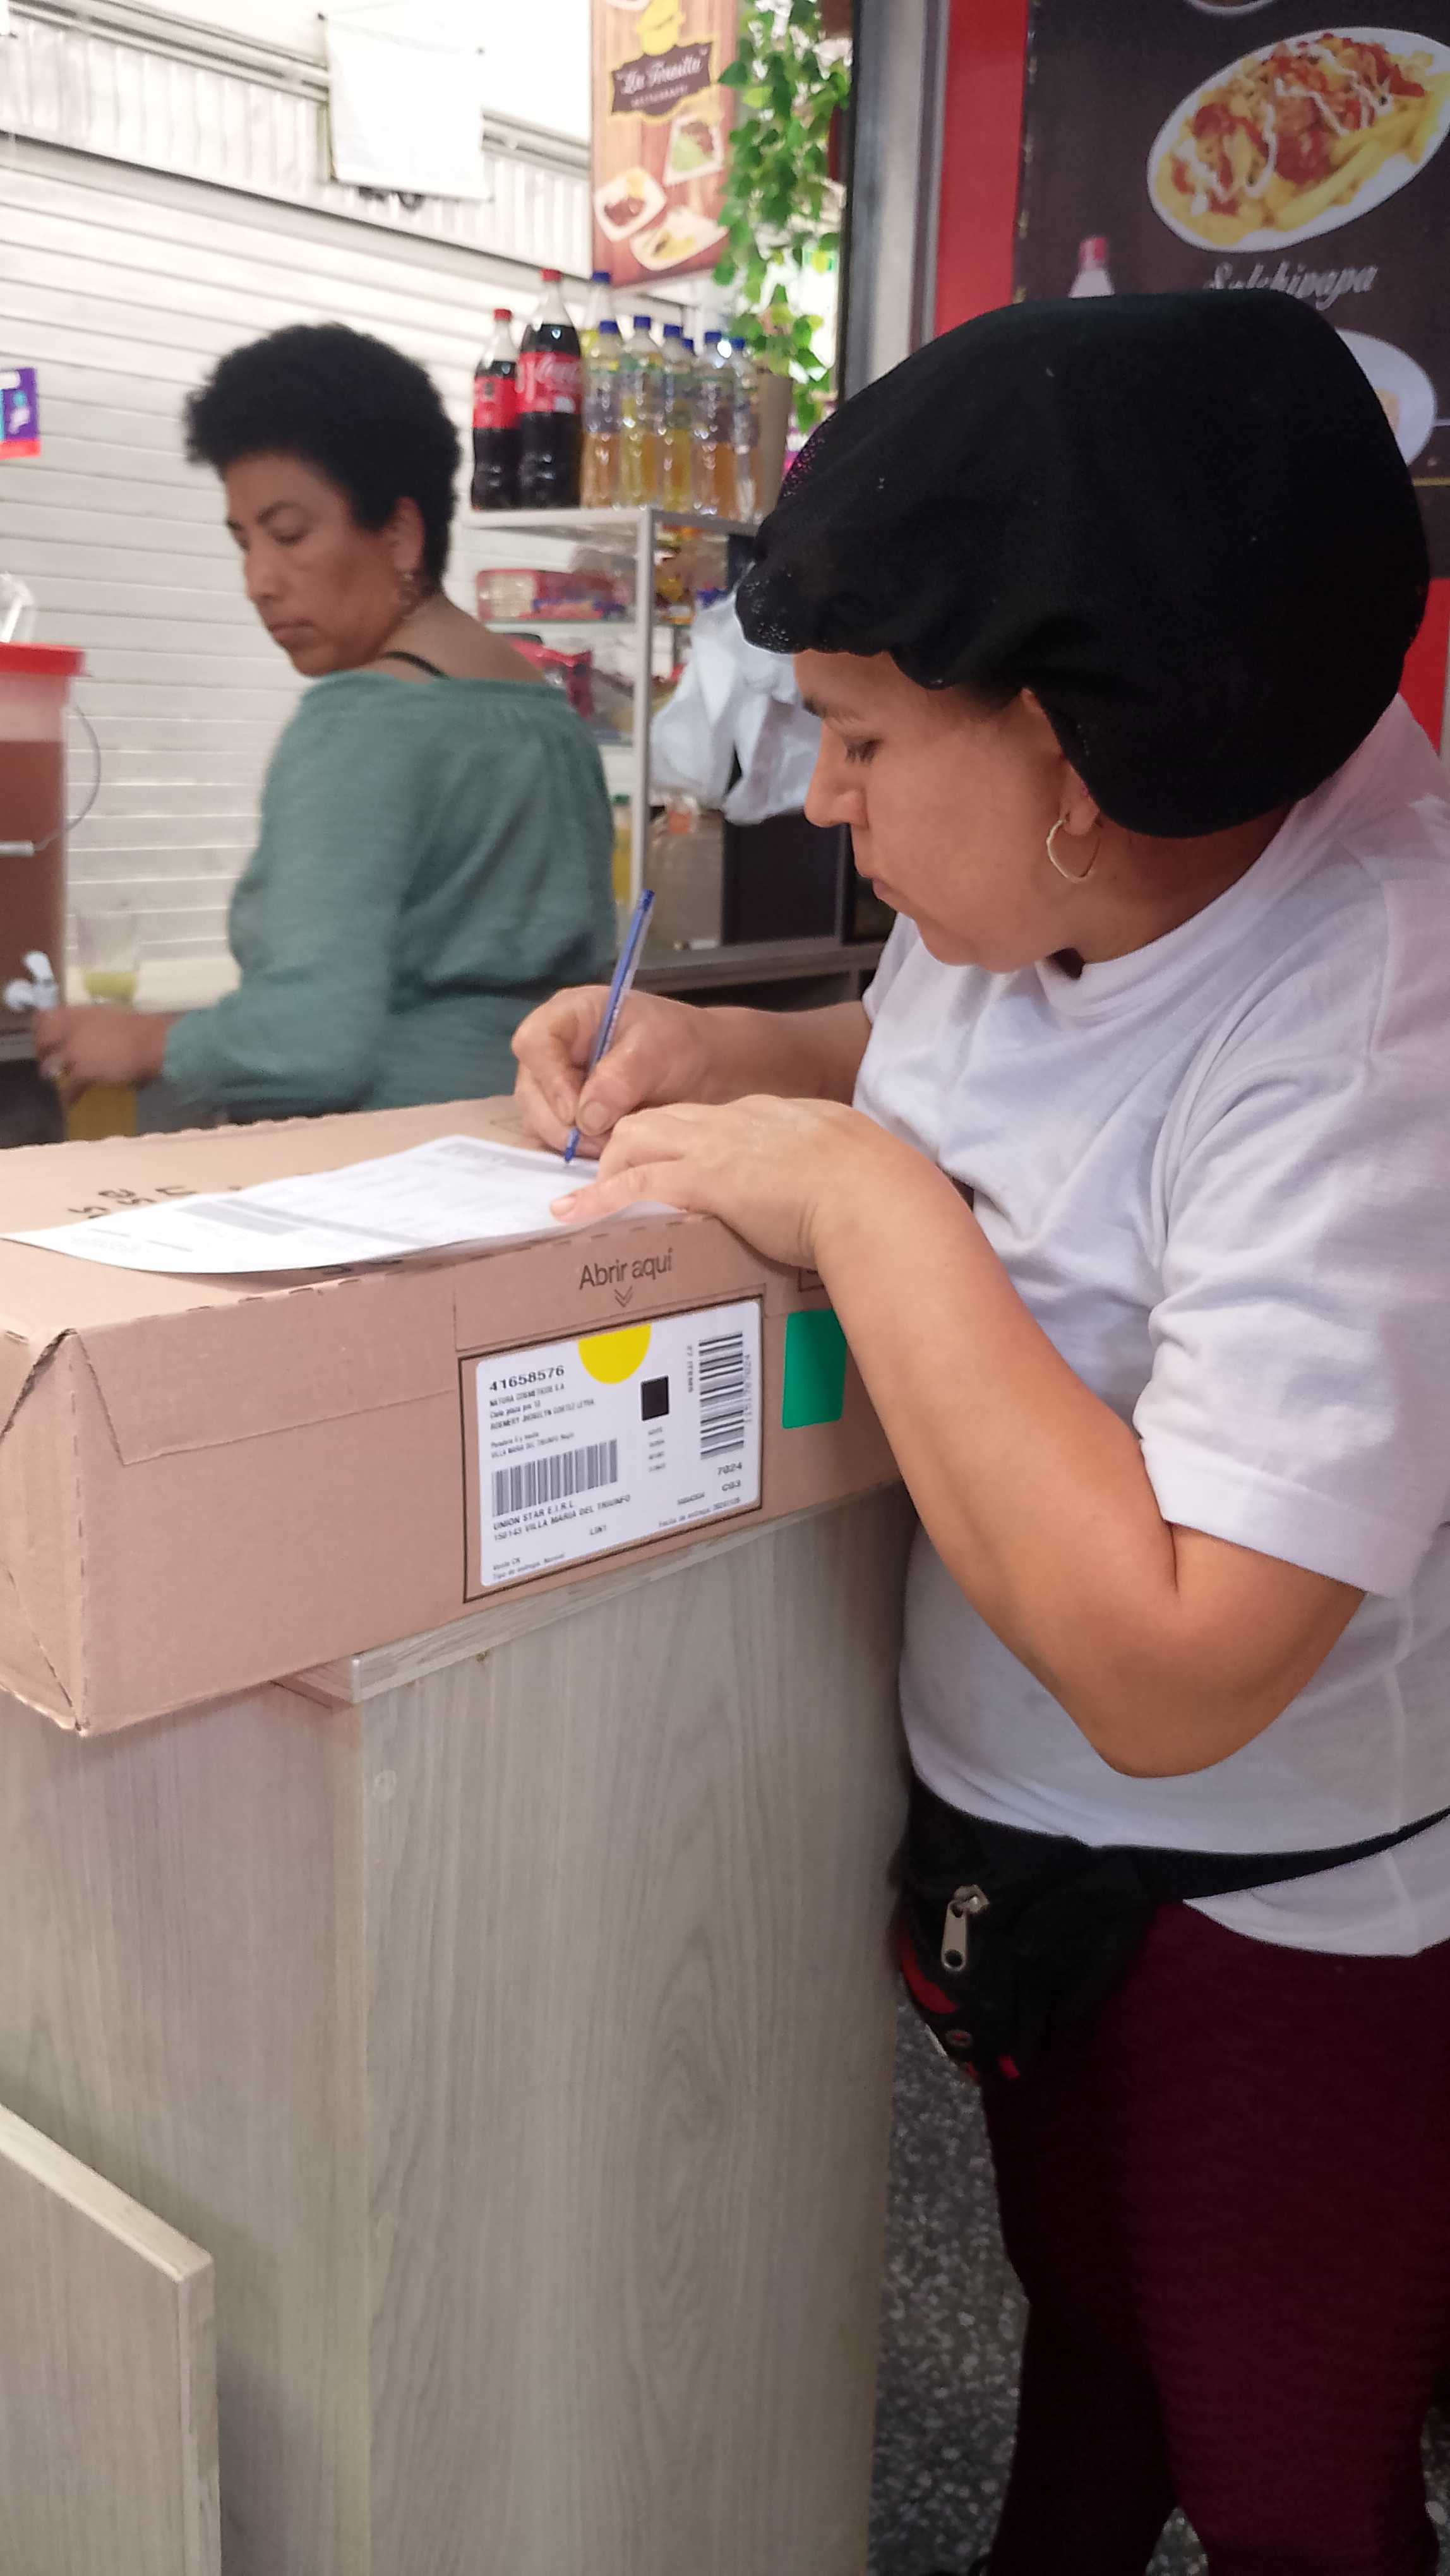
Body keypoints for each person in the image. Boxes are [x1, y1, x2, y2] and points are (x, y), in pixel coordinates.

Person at [513, 291, 1450, 2575]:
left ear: (1074, 752)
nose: (820, 794)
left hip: (1271, 1904)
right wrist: (742, 1060)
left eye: (853, 735)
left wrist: (857, 1196)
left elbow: (1180, 1663)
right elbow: (951, 1061)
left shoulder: (1373, 1018)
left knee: (1287, 2468)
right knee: (1083, 2331)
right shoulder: (1058, 875)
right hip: (1001, 1831)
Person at [37, 323, 614, 1118]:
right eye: (243, 543)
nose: (258, 581)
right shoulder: (552, 720)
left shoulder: (357, 724)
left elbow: (307, 1044)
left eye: (289, 535)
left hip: (384, 1156)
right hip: (548, 1134)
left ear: (401, 534)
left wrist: (144, 1043)